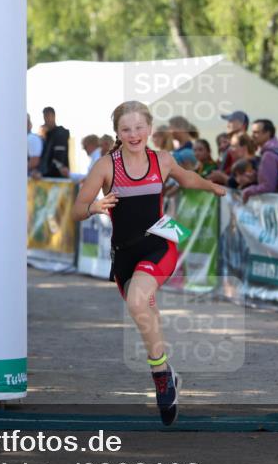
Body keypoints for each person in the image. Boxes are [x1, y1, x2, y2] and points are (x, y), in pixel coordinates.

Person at [71, 100, 226, 426]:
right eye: (126, 129)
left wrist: (212, 186)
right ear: (118, 133)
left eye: (139, 127)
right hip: (124, 253)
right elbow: (76, 209)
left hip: (160, 241)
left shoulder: (162, 160)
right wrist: (96, 207)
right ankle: (168, 372)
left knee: (139, 301)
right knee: (145, 313)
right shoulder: (106, 166)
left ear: (150, 129)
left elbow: (187, 179)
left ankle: (159, 374)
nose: (133, 134)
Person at [241, 119, 278, 201]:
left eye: (256, 132)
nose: (252, 136)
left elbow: (268, 187)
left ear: (268, 133)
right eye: (252, 132)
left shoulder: (269, 155)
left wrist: (248, 191)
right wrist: (256, 176)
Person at [39, 106, 70, 178]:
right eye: (44, 117)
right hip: (49, 179)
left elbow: (58, 160)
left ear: (54, 116)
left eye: (47, 116)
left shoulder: (60, 134)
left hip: (57, 180)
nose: (46, 120)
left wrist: (44, 174)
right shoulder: (48, 135)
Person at [218, 110, 249, 176]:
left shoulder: (246, 145)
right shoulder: (228, 146)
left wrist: (221, 176)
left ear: (242, 125)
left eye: (231, 121)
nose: (227, 125)